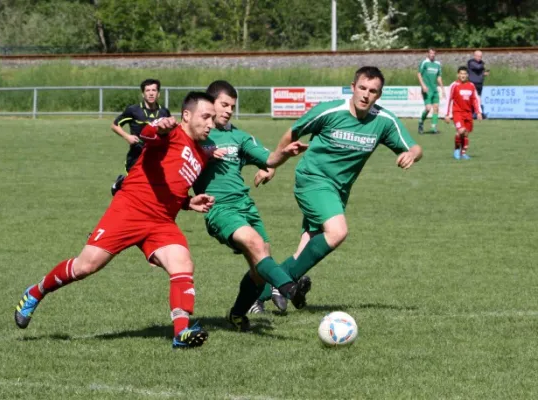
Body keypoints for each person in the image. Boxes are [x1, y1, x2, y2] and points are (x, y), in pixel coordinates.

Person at [15, 92, 224, 349]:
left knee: (182, 264)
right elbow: (147, 136)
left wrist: (187, 202)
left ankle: (181, 332)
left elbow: (171, 181)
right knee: (85, 267)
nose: (211, 124)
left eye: (213, 119)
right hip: (130, 210)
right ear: (187, 115)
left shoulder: (202, 152)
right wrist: (157, 126)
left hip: (161, 222)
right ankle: (36, 291)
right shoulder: (170, 133)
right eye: (206, 117)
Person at [255, 66, 423, 308]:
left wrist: (411, 155)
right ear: (353, 88)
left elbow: (415, 148)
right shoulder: (330, 110)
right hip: (312, 180)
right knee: (337, 232)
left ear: (379, 95)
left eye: (373, 91)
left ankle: (258, 295)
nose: (366, 95)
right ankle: (279, 285)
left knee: (305, 249)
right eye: (362, 88)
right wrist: (271, 165)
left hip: (339, 190)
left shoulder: (384, 121)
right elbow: (293, 132)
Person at [192, 80, 309, 331]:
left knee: (259, 265)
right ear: (210, 104)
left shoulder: (240, 137)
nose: (228, 111)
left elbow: (268, 159)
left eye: (231, 107)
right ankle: (288, 287)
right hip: (218, 207)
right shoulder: (197, 134)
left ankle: (237, 314)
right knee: (255, 245)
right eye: (223, 105)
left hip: (245, 205)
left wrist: (284, 154)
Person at [110, 78, 171, 195]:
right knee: (133, 185)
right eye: (148, 90)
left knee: (150, 187)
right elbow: (114, 125)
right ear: (143, 94)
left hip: (156, 156)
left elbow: (169, 132)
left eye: (154, 90)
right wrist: (127, 136)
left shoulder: (164, 112)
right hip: (136, 155)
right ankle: (120, 182)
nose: (151, 93)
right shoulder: (133, 110)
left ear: (158, 94)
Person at [445, 66, 482, 160]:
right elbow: (449, 99)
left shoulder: (471, 85)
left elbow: (475, 99)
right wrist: (447, 114)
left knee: (465, 134)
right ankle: (456, 150)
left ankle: (463, 153)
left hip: (468, 113)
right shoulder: (454, 85)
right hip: (457, 112)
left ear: (467, 75)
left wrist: (478, 112)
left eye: (465, 74)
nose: (463, 75)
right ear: (458, 74)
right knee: (460, 131)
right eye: (461, 73)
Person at [417, 48, 445, 134]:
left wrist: (442, 88)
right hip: (427, 89)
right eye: (431, 53)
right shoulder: (424, 63)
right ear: (428, 54)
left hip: (435, 90)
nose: (432, 55)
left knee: (436, 108)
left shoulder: (437, 64)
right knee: (428, 108)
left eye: (434, 53)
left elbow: (439, 77)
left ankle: (434, 127)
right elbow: (418, 74)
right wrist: (423, 85)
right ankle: (421, 121)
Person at [467, 50, 489, 118]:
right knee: (472, 98)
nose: (480, 58)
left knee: (478, 98)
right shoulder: (471, 62)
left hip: (479, 83)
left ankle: (477, 113)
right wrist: (483, 65)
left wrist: (484, 74)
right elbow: (478, 67)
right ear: (475, 56)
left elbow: (480, 71)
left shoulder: (481, 63)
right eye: (478, 56)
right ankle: (471, 113)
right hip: (473, 83)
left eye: (481, 56)